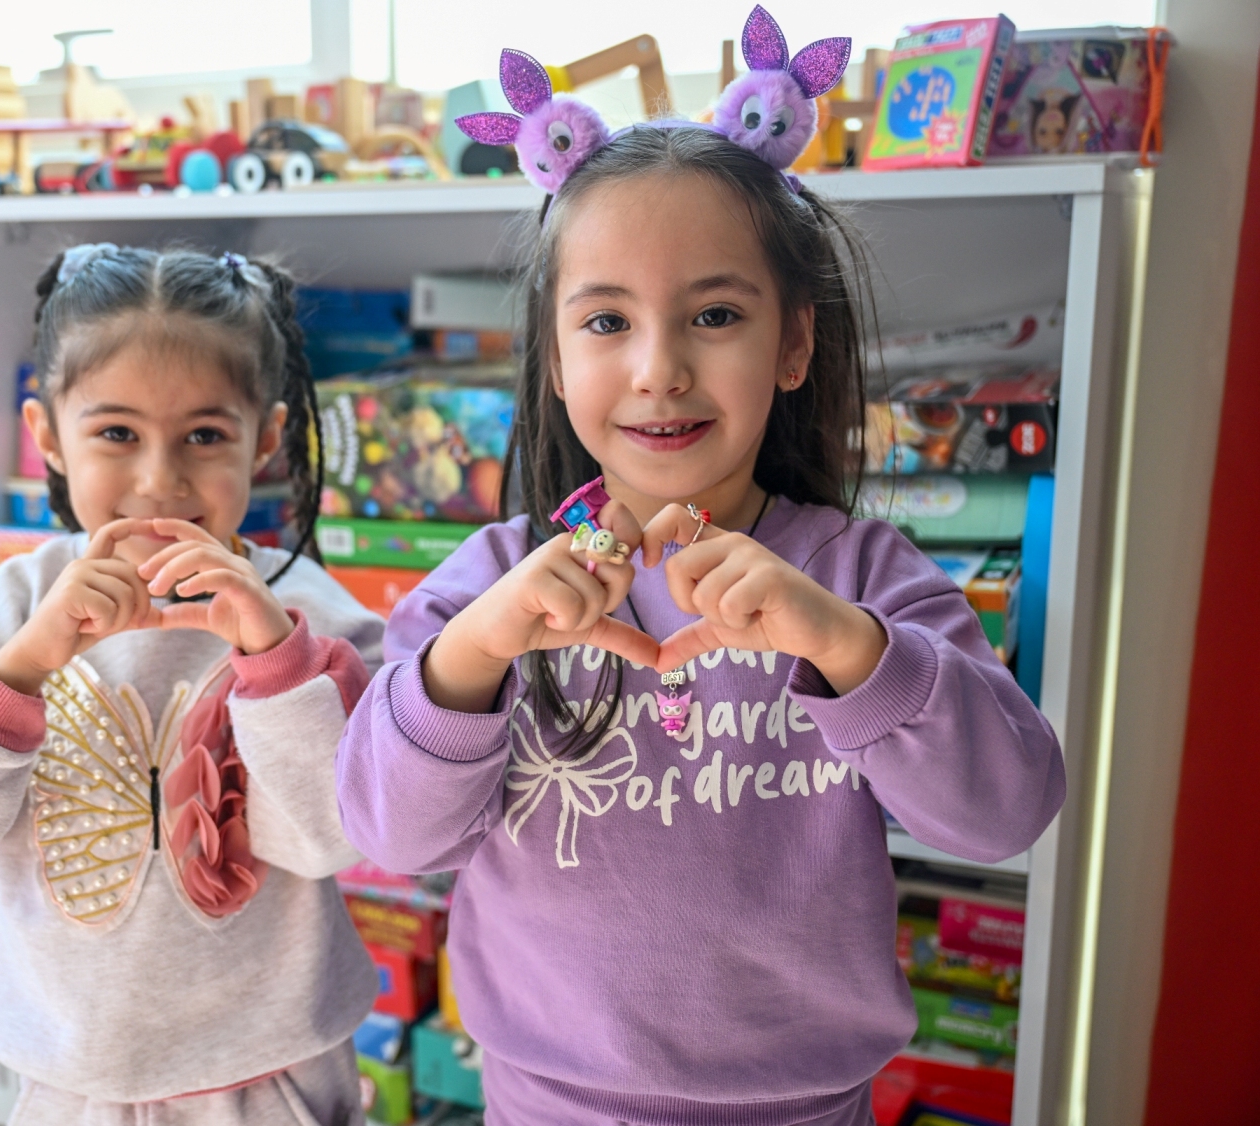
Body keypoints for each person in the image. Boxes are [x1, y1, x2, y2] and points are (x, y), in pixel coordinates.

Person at [335, 124, 1066, 1124]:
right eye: (605, 322)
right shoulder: (495, 582)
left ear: (794, 342)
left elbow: (1003, 811)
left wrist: (847, 646)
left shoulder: (859, 578)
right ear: (551, 355)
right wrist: (472, 656)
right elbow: (387, 831)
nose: (658, 367)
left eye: (713, 313)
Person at [0, 244, 383, 1126]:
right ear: (47, 434)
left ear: (270, 439)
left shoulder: (313, 620)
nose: (159, 481)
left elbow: (335, 835)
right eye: (116, 433)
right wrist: (21, 668)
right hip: (71, 1081)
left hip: (274, 1072)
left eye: (205, 436)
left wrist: (273, 657)